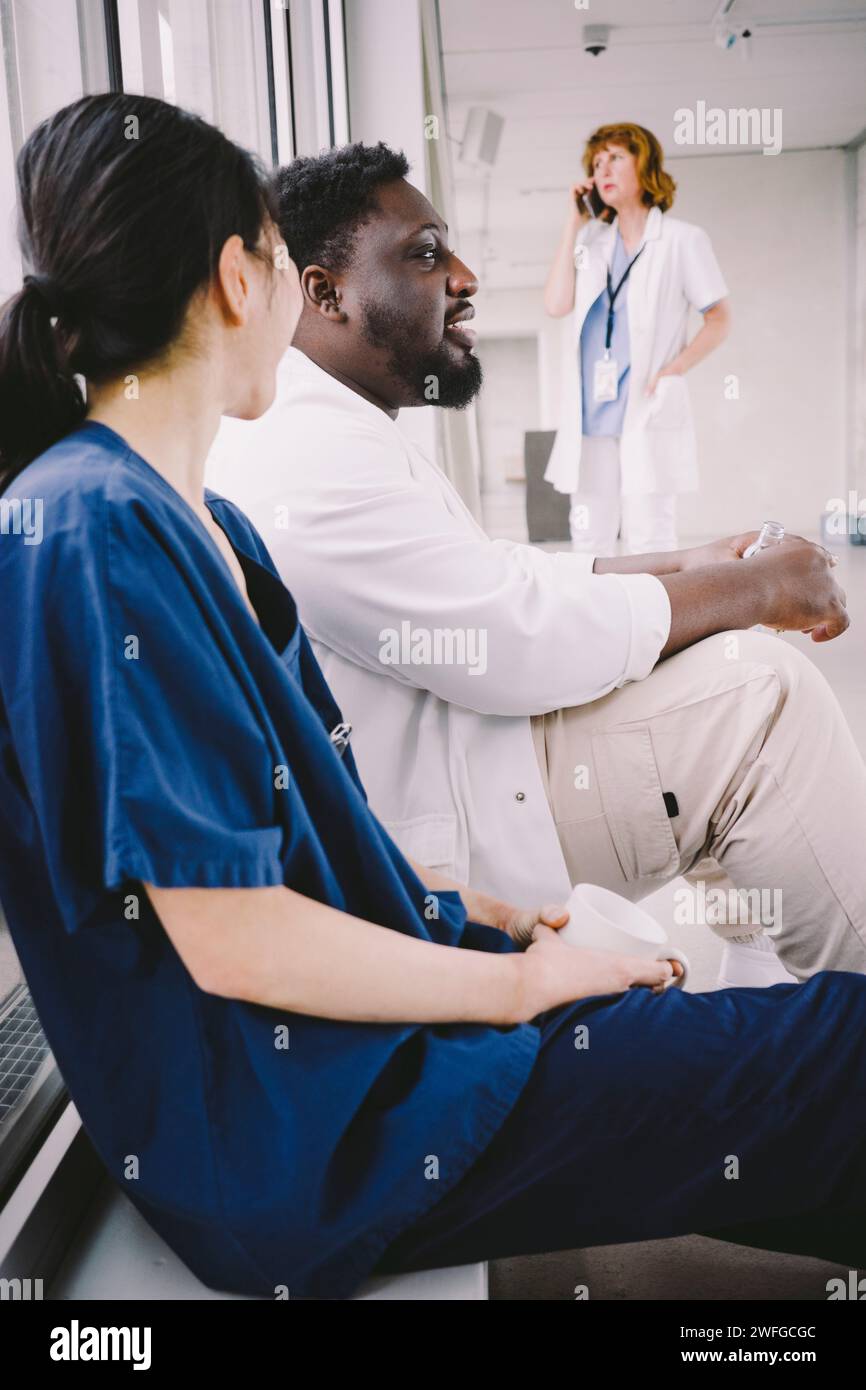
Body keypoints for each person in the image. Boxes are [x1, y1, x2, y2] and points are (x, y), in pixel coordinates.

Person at [4, 98, 866, 1309]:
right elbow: (232, 931)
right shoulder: (98, 528)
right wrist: (517, 989)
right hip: (314, 1137)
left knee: (787, 1081)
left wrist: (483, 918)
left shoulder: (195, 524)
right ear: (242, 282)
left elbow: (294, 852)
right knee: (833, 1054)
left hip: (350, 1081)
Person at [208, 142, 864, 995]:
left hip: (472, 762)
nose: (465, 276)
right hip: (455, 837)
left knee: (706, 677)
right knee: (757, 698)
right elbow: (501, 641)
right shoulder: (302, 439)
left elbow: (488, 575)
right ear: (324, 292)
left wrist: (686, 561)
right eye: (426, 253)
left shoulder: (335, 419)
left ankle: (770, 998)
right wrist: (751, 589)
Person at [543, 122, 730, 552]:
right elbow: (556, 304)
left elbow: (719, 317)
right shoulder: (591, 241)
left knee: (651, 535)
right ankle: (595, 618)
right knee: (589, 535)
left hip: (645, 404)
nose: (602, 169)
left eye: (615, 158)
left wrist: (674, 369)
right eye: (596, 162)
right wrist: (573, 224)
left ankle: (656, 619)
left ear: (645, 165)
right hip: (591, 411)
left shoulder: (682, 240)